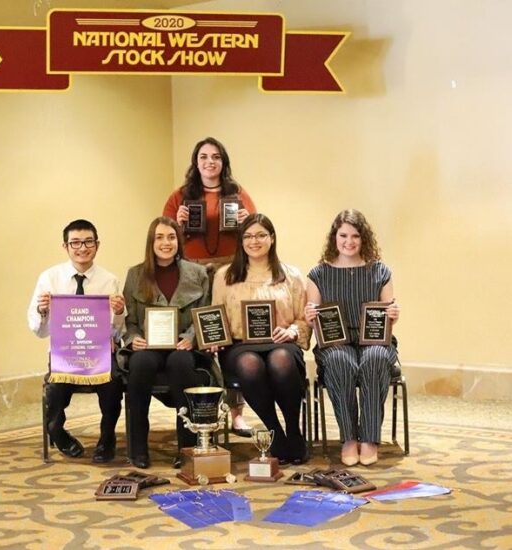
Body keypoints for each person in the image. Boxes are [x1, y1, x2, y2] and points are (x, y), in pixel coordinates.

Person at [163, 136, 256, 436]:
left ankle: (237, 412)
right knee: (199, 335)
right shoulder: (180, 195)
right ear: (196, 162)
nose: (209, 162)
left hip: (231, 269)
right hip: (192, 271)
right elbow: (164, 236)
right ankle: (202, 410)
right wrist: (177, 223)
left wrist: (245, 219)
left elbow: (256, 231)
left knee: (231, 337)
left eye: (215, 157)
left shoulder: (238, 193)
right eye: (203, 157)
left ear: (223, 162)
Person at [304, 209, 400, 466]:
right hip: (335, 342)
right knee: (339, 362)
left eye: (356, 236)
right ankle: (348, 438)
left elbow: (388, 313)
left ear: (364, 238)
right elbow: (313, 319)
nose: (349, 241)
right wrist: (309, 314)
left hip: (374, 341)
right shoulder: (318, 274)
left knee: (376, 359)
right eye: (343, 235)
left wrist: (393, 313)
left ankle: (369, 438)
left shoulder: (381, 271)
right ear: (334, 237)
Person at [212, 213, 310, 464]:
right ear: (241, 241)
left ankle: (293, 428)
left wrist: (291, 332)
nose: (254, 241)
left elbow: (303, 319)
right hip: (239, 347)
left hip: (282, 343)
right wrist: (213, 338)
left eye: (260, 235)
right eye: (248, 236)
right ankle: (274, 431)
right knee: (250, 364)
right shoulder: (225, 275)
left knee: (280, 360)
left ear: (272, 238)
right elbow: (216, 316)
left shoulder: (292, 275)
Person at [27, 219, 125, 463]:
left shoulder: (109, 280)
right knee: (55, 389)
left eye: (88, 241)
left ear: (97, 245)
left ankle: (106, 438)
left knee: (113, 385)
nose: (82, 248)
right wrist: (42, 310)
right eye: (75, 243)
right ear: (65, 246)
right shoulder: (49, 278)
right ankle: (57, 432)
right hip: (64, 355)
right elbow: (38, 330)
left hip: (100, 356)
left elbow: (117, 332)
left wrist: (120, 312)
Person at [121, 216, 211, 469]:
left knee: (181, 362)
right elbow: (129, 320)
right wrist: (133, 338)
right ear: (151, 242)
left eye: (171, 237)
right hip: (147, 346)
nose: (166, 243)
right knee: (140, 364)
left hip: (182, 347)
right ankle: (138, 448)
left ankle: (187, 447)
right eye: (159, 237)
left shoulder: (198, 273)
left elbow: (204, 314)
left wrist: (191, 338)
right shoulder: (135, 274)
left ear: (179, 241)